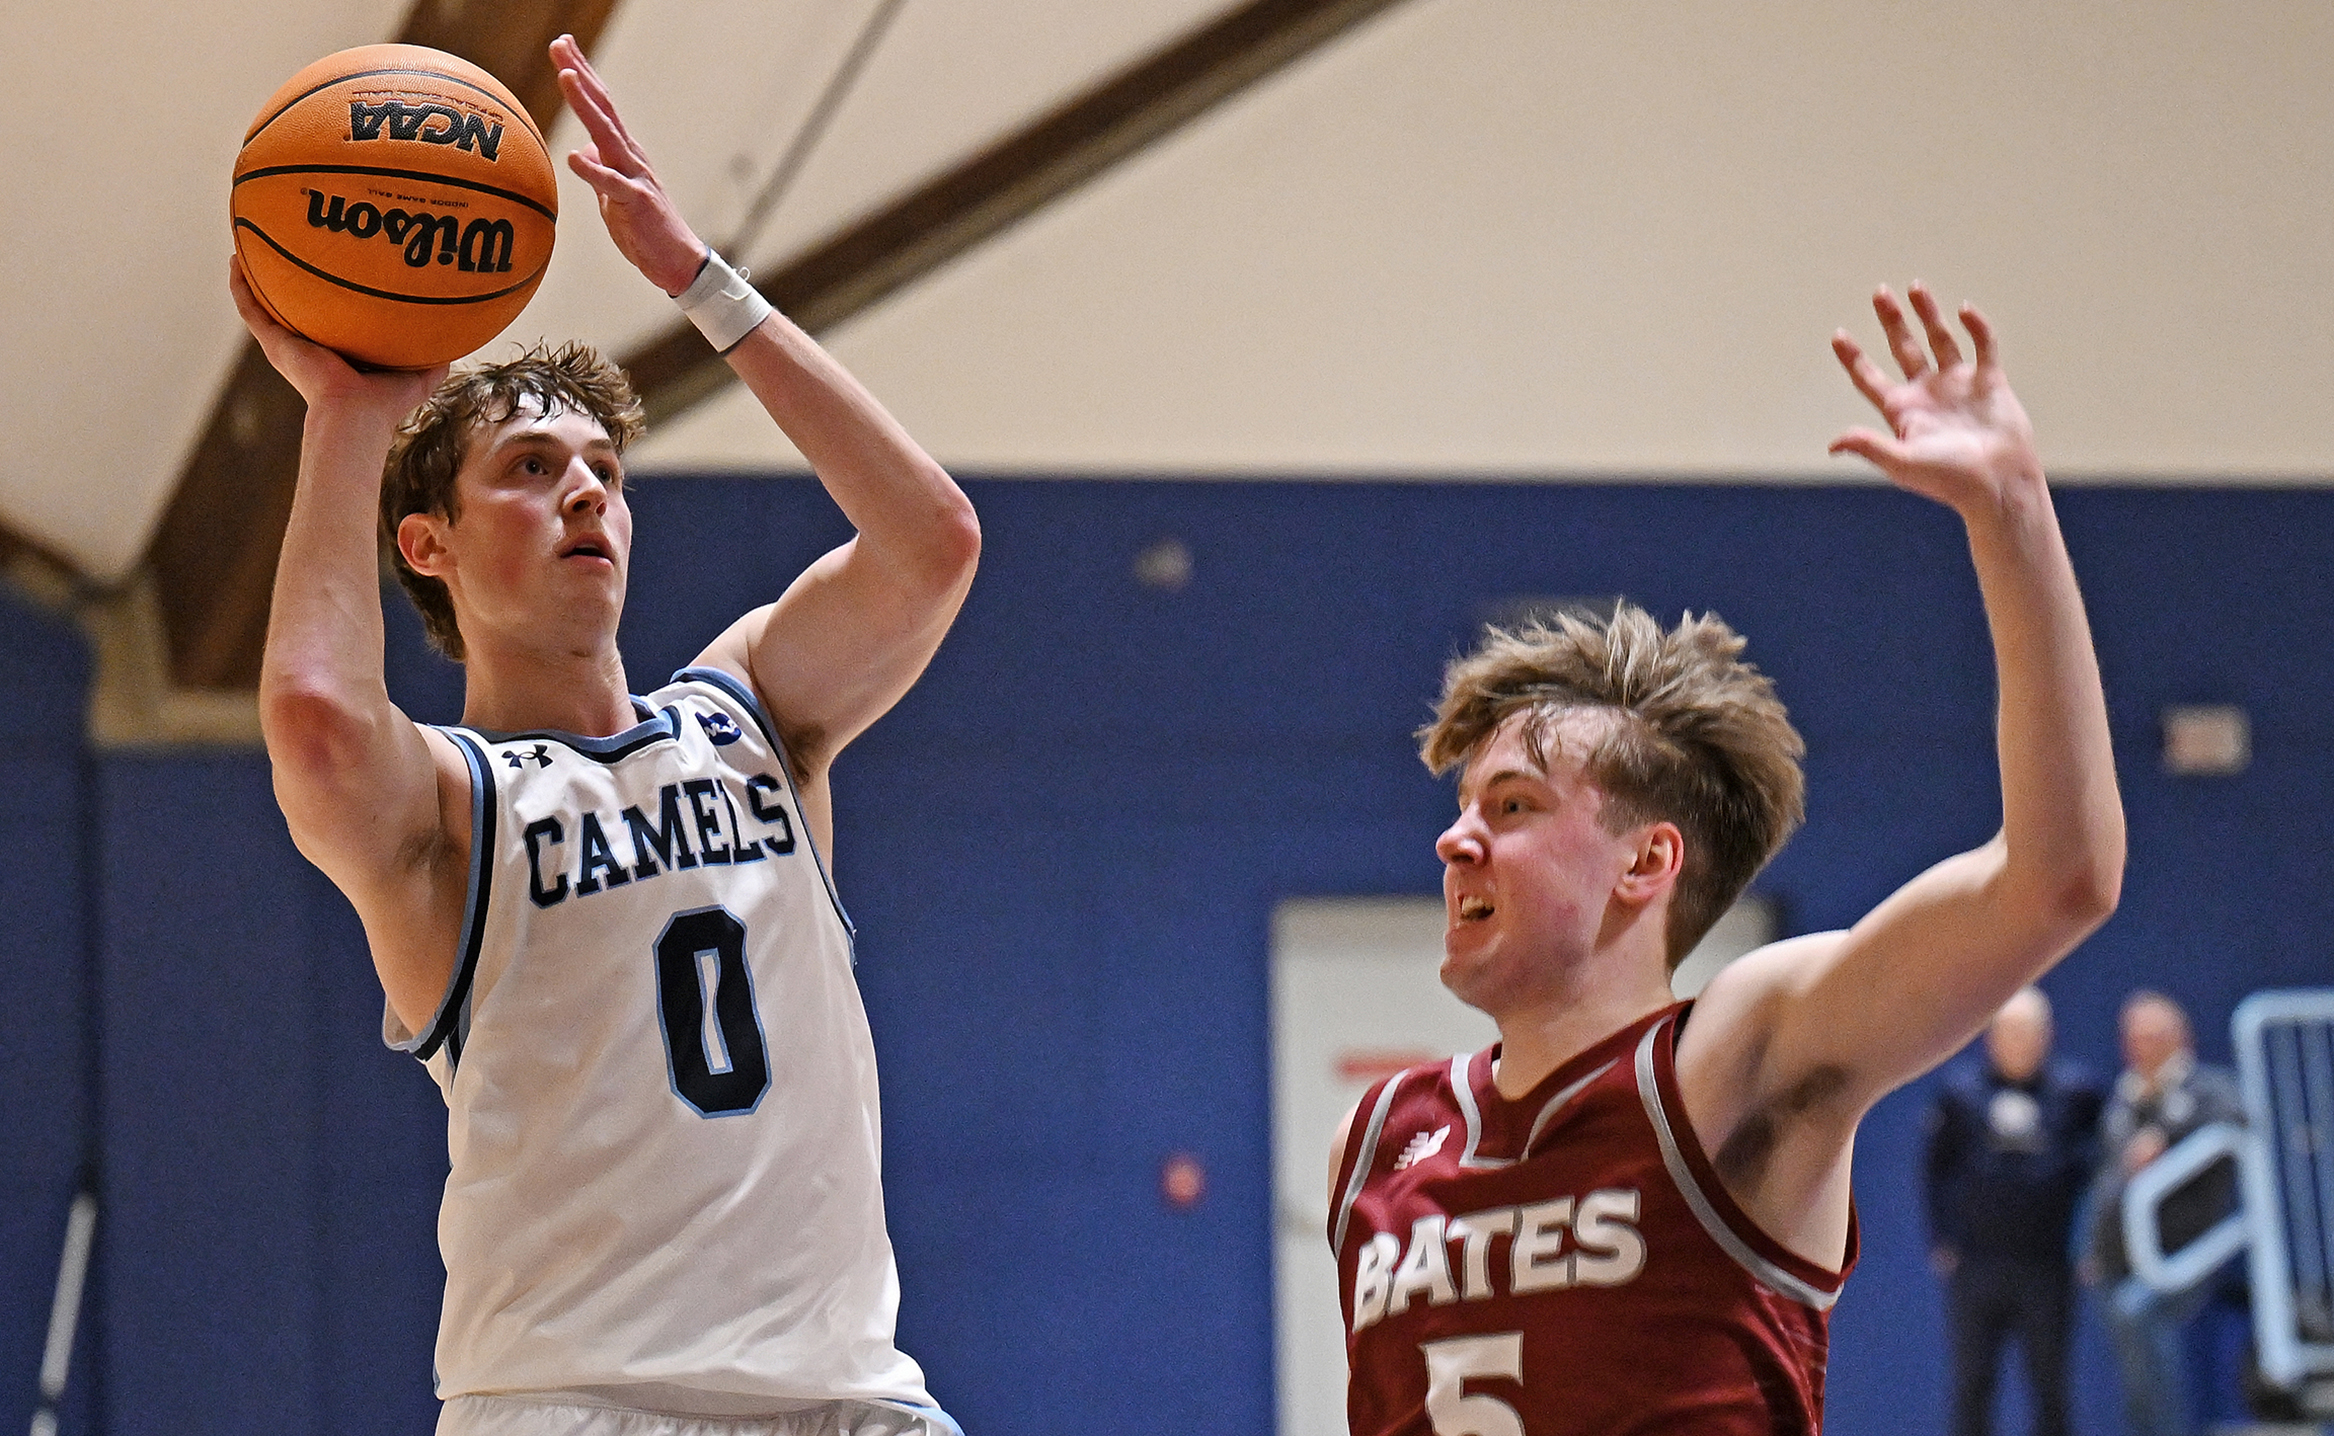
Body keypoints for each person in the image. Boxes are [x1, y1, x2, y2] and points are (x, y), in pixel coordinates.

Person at [234, 35, 978, 1436]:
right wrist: (351, 411)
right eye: (529, 470)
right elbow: (322, 726)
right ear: (426, 543)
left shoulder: (752, 710)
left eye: (603, 471)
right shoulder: (453, 810)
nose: (585, 494)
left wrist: (701, 280)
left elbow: (930, 542)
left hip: (847, 1399)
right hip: (578, 1402)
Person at [1327, 286, 2125, 1435]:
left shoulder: (1726, 1058)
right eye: (1462, 808)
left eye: (1511, 804)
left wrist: (2012, 512)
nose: (1458, 838)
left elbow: (2060, 875)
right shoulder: (1386, 1135)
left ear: (1647, 861)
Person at [1924, 987, 2104, 1436]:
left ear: (2048, 1036)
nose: (2020, 1043)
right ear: (1991, 1037)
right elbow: (1935, 1170)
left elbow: (2102, 1172)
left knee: (2050, 1384)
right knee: (1972, 1385)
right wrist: (1942, 1239)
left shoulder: (2078, 1094)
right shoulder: (1960, 1094)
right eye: (2010, 1032)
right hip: (1978, 1264)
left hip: (2047, 1266)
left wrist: (2092, 1244)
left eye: (2030, 1032)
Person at [2081, 991, 2246, 1436]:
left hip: (2184, 1255)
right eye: (2133, 1037)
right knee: (2134, 1366)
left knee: (2139, 1315)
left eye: (2153, 1036)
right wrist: (2093, 1246)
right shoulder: (2123, 1100)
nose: (2142, 1047)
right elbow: (2106, 1181)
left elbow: (2235, 1120)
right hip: (2121, 1260)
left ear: (2181, 1037)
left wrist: (2168, 1138)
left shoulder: (2207, 1090)